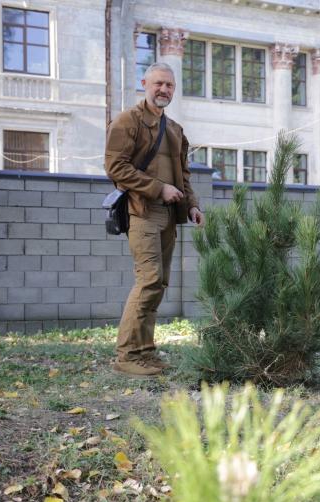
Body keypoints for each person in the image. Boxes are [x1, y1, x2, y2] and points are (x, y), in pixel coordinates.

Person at [105, 62, 204, 377]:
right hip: (142, 212)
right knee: (148, 280)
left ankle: (145, 352)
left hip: (169, 217)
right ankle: (126, 356)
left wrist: (191, 205)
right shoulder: (127, 121)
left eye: (170, 86)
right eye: (159, 83)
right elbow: (115, 167)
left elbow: (183, 174)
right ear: (145, 83)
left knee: (159, 284)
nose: (164, 90)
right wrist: (158, 188)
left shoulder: (174, 129)